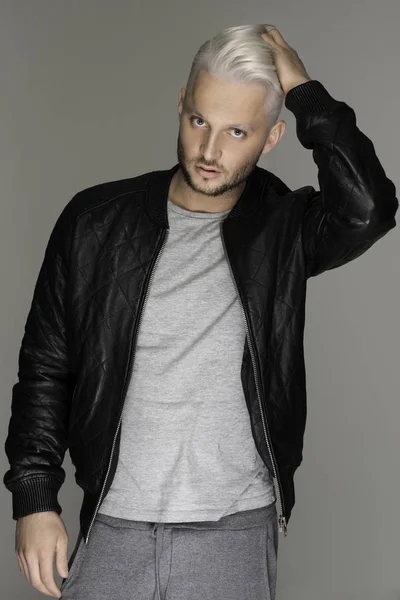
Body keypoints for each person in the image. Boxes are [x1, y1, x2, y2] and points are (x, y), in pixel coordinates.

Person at [3, 23, 398, 600]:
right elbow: (45, 368)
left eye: (238, 131)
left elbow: (369, 208)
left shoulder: (284, 229)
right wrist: (34, 498)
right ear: (181, 105)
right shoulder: (94, 222)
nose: (211, 152)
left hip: (233, 535)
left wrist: (306, 91)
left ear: (272, 138)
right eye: (199, 122)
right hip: (113, 527)